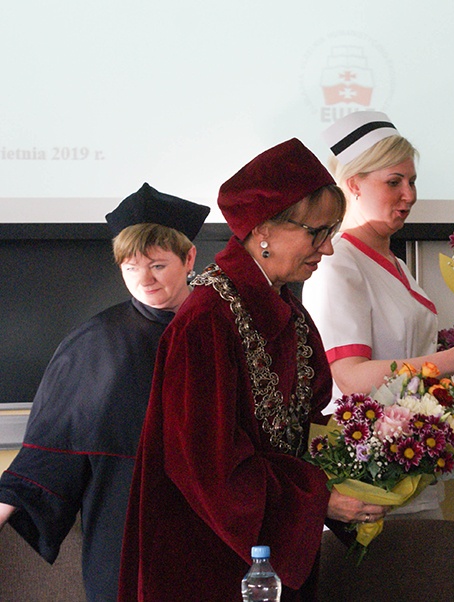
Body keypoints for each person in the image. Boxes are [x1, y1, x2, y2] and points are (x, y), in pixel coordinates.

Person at [116, 139, 389, 601]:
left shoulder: (289, 313)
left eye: (332, 232)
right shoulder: (206, 319)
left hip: (263, 554)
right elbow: (209, 467)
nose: (326, 249)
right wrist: (318, 501)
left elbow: (304, 425)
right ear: (264, 229)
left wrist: (370, 453)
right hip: (207, 560)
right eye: (316, 232)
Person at [0, 183, 209, 601]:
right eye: (130, 268)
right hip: (126, 529)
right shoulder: (95, 343)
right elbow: (49, 451)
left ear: (189, 258)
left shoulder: (221, 329)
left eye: (157, 265)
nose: (143, 280)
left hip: (210, 529)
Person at [304, 111, 454, 520]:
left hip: (410, 470)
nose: (409, 195)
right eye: (394, 182)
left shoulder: (395, 264)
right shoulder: (339, 263)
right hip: (368, 483)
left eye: (412, 182)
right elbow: (350, 376)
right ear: (353, 184)